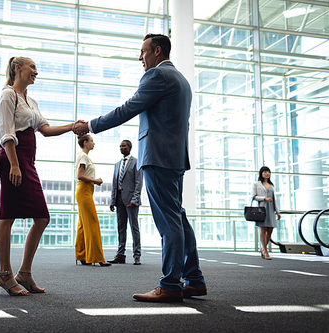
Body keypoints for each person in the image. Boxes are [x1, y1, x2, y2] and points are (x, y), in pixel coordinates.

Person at [73, 33, 206, 302]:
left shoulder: (157, 76)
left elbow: (128, 108)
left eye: (143, 51)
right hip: (175, 158)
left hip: (158, 157)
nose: (140, 57)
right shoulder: (182, 81)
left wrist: (90, 125)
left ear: (157, 51)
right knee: (178, 218)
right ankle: (194, 280)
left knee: (169, 221)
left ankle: (170, 284)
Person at [0, 56, 80, 296]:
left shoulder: (30, 100)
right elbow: (6, 133)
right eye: (33, 67)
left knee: (42, 217)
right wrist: (13, 164)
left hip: (27, 162)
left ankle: (25, 273)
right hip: (14, 159)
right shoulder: (7, 95)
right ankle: (4, 274)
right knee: (7, 216)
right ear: (17, 68)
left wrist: (73, 126)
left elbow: (45, 129)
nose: (36, 72)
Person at [74, 134, 111, 267]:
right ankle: (97, 257)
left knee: (83, 224)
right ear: (85, 143)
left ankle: (82, 255)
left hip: (85, 191)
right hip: (84, 191)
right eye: (92, 141)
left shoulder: (83, 156)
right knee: (92, 222)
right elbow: (80, 176)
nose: (93, 143)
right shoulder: (83, 156)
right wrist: (95, 180)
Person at [108, 140, 143, 265]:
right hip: (119, 201)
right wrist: (113, 201)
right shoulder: (117, 164)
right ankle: (121, 254)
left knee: (134, 228)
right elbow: (114, 184)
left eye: (123, 146)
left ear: (130, 147)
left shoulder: (136, 162)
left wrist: (135, 199)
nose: (121, 148)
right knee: (121, 228)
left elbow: (139, 183)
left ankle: (137, 255)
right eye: (120, 146)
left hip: (131, 201)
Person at [251, 166, 281, 260]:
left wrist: (278, 212)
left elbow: (274, 199)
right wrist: (264, 198)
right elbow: (253, 196)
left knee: (270, 230)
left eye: (268, 172)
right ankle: (265, 250)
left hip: (271, 209)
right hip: (262, 209)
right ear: (261, 173)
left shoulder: (271, 185)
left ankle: (262, 248)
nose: (267, 173)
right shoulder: (256, 184)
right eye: (265, 172)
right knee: (263, 229)